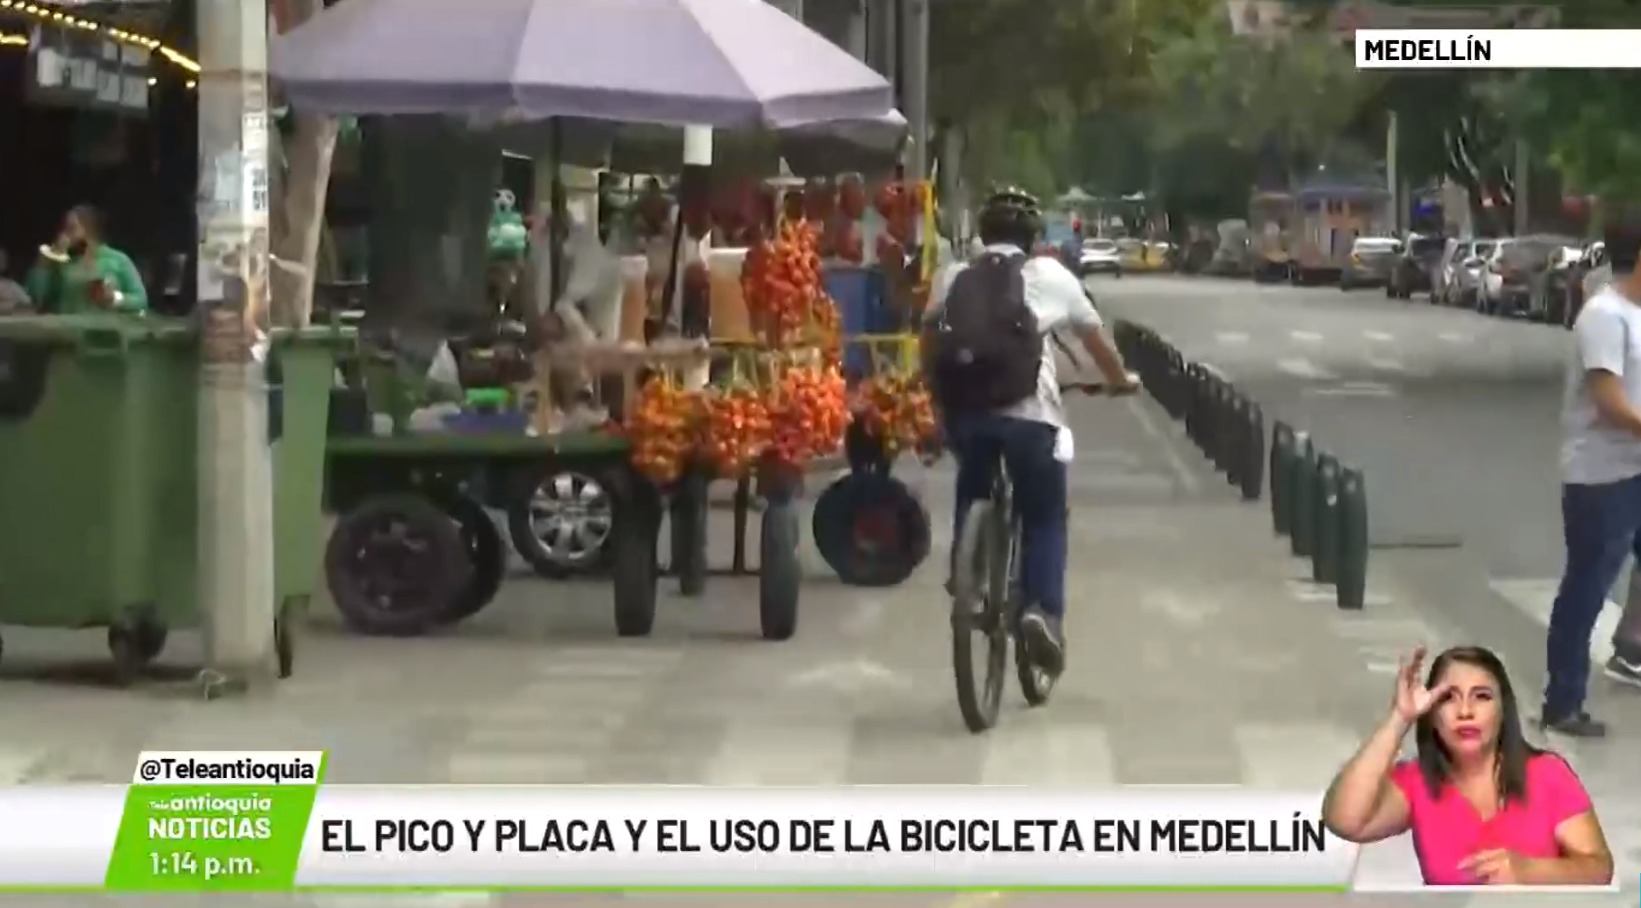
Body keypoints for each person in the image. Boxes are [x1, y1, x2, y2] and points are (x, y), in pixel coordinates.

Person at [920, 187, 1137, 677]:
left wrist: (930, 393)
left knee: (973, 477)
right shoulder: (1051, 276)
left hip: (966, 416)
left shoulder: (952, 276)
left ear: (982, 233)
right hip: (1032, 420)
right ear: (1033, 237)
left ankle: (967, 573)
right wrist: (1121, 382)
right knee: (1045, 514)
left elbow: (928, 340)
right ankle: (1041, 611)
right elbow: (1097, 344)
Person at [1321, 646, 1613, 886]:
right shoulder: (1417, 783)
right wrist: (1399, 718)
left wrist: (1529, 872)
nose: (1465, 711)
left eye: (1481, 697)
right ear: (1432, 715)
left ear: (1503, 710)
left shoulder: (1548, 774)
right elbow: (1345, 821)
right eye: (1448, 698)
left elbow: (1598, 868)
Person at [1545, 213, 1641, 736]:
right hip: (1602, 479)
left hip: (1637, 470)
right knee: (1586, 588)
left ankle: (1631, 645)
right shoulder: (1605, 316)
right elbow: (1609, 404)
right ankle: (1562, 702)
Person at [26, 205, 147, 314]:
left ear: (89, 230)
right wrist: (42, 266)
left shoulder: (117, 260)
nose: (65, 235)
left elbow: (140, 299)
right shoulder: (62, 262)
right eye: (64, 228)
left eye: (71, 228)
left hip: (106, 332)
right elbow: (37, 298)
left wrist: (115, 298)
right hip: (66, 332)